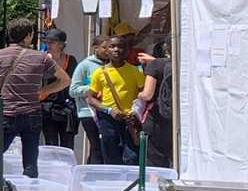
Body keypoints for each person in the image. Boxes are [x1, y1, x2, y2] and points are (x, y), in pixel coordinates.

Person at [0, 19, 70, 179]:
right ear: (27, 36)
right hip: (32, 113)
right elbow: (65, 80)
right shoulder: (41, 57)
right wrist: (44, 91)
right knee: (31, 160)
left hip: (7, 113)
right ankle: (29, 189)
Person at [87, 37, 144, 165]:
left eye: (120, 47)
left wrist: (136, 112)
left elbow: (143, 95)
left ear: (127, 50)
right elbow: (90, 98)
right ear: (106, 50)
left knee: (132, 158)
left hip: (130, 120)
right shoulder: (99, 73)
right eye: (112, 46)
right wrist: (109, 110)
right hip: (108, 119)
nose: (116, 50)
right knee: (111, 157)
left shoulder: (135, 71)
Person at [70, 36, 109, 164]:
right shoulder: (85, 65)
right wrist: (93, 89)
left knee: (104, 146)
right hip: (88, 112)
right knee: (96, 144)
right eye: (104, 47)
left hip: (107, 110)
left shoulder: (112, 65)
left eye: (109, 47)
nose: (107, 51)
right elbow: (73, 90)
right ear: (95, 48)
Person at [40, 30, 79, 149]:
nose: (48, 45)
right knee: (51, 144)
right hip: (47, 107)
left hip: (66, 108)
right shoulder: (42, 60)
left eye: (52, 42)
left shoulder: (70, 60)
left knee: (67, 145)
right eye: (46, 42)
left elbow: (73, 82)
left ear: (61, 45)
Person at [139, 41, 172, 168]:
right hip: (176, 118)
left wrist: (139, 95)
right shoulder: (182, 65)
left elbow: (147, 94)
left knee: (154, 157)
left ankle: (155, 179)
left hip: (156, 116)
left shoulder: (155, 65)